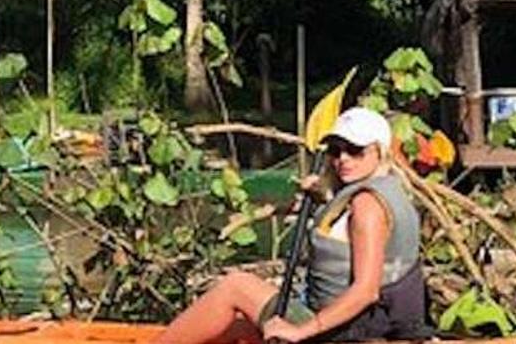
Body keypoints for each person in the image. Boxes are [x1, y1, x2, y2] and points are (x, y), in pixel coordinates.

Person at [153, 107, 429, 344]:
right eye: (336, 150)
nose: (342, 159)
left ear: (380, 151)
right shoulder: (385, 191)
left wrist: (301, 331)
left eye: (355, 150)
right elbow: (344, 234)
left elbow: (366, 291)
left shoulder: (367, 206)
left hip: (347, 332)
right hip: (354, 324)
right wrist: (324, 198)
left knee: (236, 286)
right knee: (234, 327)